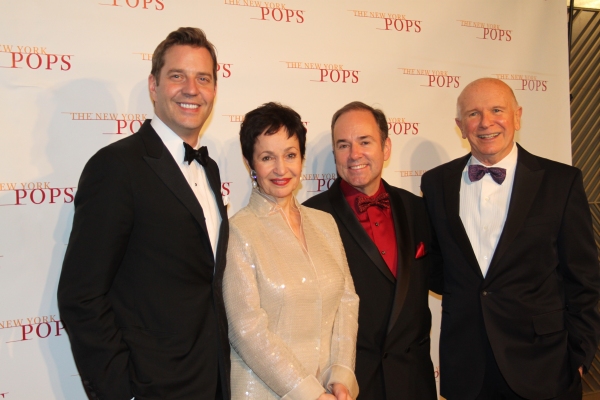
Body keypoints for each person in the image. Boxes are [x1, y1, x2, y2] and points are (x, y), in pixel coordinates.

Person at [57, 27, 230, 400]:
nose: (191, 88)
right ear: (154, 86)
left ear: (214, 89)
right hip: (151, 387)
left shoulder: (209, 169)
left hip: (212, 381)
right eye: (176, 76)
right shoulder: (117, 167)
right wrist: (121, 391)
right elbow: (80, 295)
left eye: (203, 78)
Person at [421, 77, 600, 400]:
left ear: (517, 116)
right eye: (473, 114)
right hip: (467, 366)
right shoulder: (436, 183)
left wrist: (580, 355)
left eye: (497, 110)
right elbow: (436, 265)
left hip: (545, 366)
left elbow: (584, 278)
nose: (486, 122)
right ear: (460, 126)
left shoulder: (561, 182)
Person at [304, 102, 442, 400]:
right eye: (343, 145)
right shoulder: (309, 218)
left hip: (413, 383)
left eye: (365, 142)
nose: (354, 154)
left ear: (386, 147)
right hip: (346, 387)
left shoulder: (418, 209)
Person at [223, 102, 359, 400]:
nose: (281, 169)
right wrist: (310, 394)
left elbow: (347, 302)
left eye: (290, 155)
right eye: (267, 157)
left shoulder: (324, 223)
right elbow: (246, 330)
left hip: (329, 390)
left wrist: (341, 375)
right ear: (250, 163)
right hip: (262, 392)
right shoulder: (238, 231)